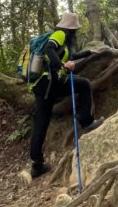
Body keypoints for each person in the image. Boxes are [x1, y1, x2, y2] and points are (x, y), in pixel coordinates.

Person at [29, 12, 104, 179]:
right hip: (49, 83)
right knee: (84, 84)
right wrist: (62, 66)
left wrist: (89, 52)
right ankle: (86, 121)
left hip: (41, 86)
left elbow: (71, 57)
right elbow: (49, 49)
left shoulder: (64, 41)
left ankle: (37, 165)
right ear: (72, 28)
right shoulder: (60, 34)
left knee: (41, 120)